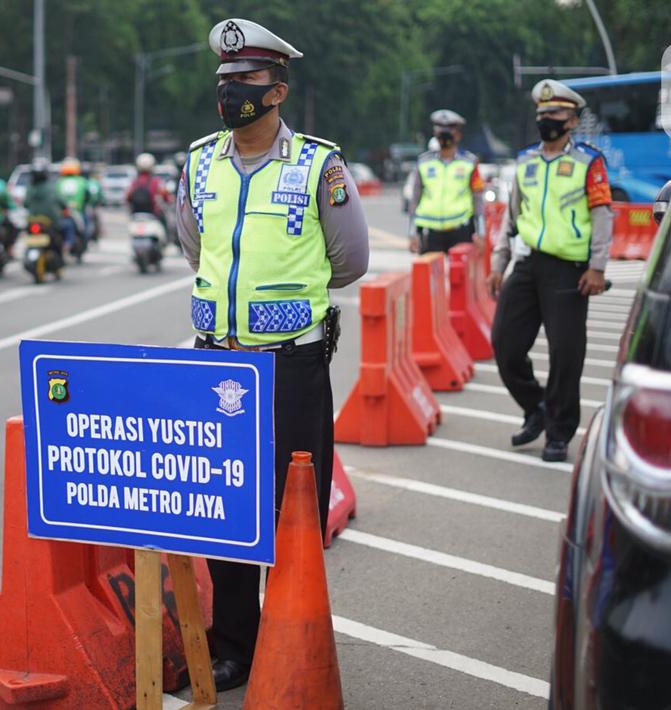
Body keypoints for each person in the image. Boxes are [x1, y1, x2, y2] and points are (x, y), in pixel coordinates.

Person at [174, 17, 370, 691]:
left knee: (293, 510)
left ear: (278, 90)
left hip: (289, 365)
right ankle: (234, 644)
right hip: (217, 363)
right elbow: (193, 245)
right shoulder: (199, 162)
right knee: (224, 508)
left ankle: (293, 633)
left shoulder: (318, 165)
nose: (231, 91)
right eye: (224, 79)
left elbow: (350, 261)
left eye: (247, 79)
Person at [487, 79, 612, 463]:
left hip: (569, 271)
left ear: (572, 120)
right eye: (542, 113)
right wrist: (499, 263)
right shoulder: (525, 160)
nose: (546, 119)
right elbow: (512, 216)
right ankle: (536, 407)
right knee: (505, 344)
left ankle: (559, 432)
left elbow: (602, 215)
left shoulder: (589, 162)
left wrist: (597, 267)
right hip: (527, 265)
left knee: (565, 355)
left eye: (555, 113)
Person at [408, 109, 485, 254]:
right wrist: (412, 233)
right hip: (430, 231)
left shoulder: (470, 162)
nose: (444, 137)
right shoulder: (423, 162)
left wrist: (480, 233)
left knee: (459, 269)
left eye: (449, 131)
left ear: (458, 135)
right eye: (441, 132)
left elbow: (478, 199)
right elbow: (415, 199)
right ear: (435, 135)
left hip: (461, 229)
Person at [23, 159, 72, 251]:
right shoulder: (52, 188)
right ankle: (67, 245)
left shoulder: (30, 189)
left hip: (32, 222)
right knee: (68, 225)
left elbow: (25, 204)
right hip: (52, 224)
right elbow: (63, 203)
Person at [126, 153, 171, 231]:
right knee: (165, 223)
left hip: (135, 214)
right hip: (153, 213)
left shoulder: (134, 182)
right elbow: (165, 196)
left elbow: (128, 197)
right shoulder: (155, 181)